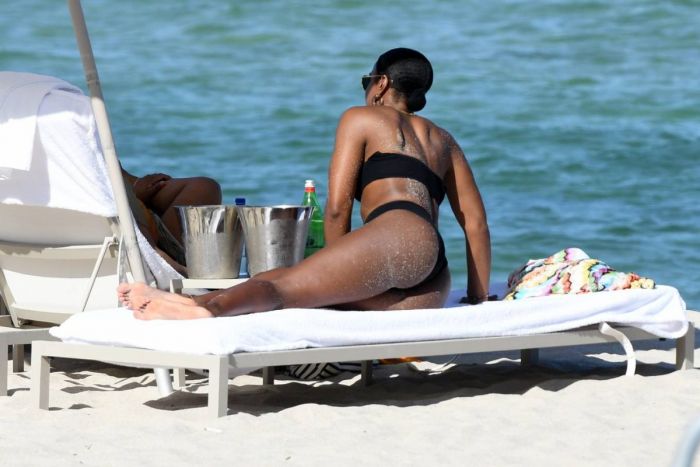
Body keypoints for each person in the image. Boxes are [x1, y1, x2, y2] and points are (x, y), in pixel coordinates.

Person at [118, 47, 491, 319]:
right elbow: (475, 223)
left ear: (381, 84)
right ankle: (190, 302)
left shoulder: (361, 118)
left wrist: (334, 261)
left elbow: (337, 208)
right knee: (287, 282)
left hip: (397, 237)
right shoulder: (445, 140)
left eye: (366, 81)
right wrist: (477, 297)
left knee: (281, 288)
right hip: (432, 279)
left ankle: (207, 313)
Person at [122, 168, 222, 276]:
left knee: (204, 188)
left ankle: (182, 261)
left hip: (124, 190)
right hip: (123, 210)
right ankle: (169, 263)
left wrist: (135, 184)